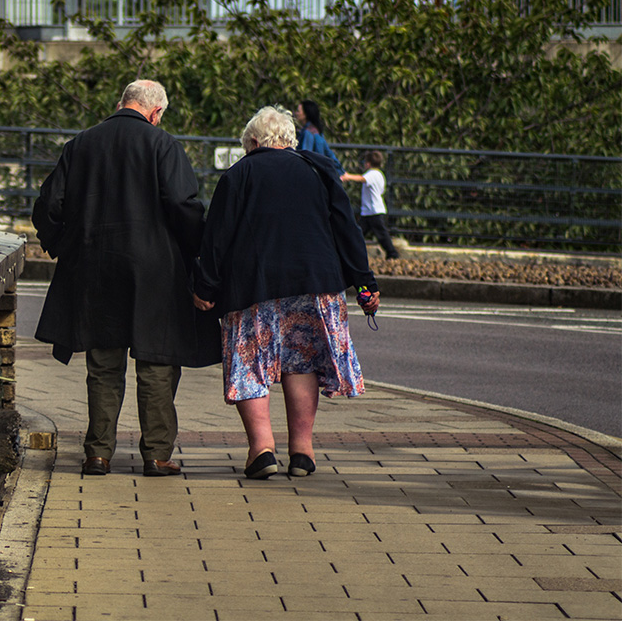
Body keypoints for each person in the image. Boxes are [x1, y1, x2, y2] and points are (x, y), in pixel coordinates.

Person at [32, 79, 216, 478]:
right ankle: (156, 455)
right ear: (155, 112)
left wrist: (66, 244)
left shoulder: (80, 144)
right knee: (156, 362)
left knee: (103, 363)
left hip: (95, 267)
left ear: (123, 103)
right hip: (155, 270)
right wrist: (196, 251)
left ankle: (97, 454)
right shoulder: (163, 145)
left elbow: (48, 205)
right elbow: (184, 205)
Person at [192, 106, 379, 480]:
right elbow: (347, 231)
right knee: (302, 362)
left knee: (249, 362)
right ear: (289, 141)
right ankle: (302, 452)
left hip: (253, 286)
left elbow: (217, 237)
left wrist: (206, 285)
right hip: (314, 284)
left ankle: (261, 450)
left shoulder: (239, 174)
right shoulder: (319, 170)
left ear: (256, 143)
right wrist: (365, 284)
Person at [341, 150, 401, 259]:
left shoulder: (372, 174)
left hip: (374, 211)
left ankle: (392, 253)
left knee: (381, 235)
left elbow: (362, 178)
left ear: (368, 163)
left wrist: (348, 176)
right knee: (359, 233)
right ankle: (351, 254)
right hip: (369, 211)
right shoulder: (380, 175)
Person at [294, 100, 343, 176]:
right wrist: (341, 171)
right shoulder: (317, 131)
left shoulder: (308, 133)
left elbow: (305, 155)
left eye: (298, 111)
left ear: (306, 114)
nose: (296, 113)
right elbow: (329, 153)